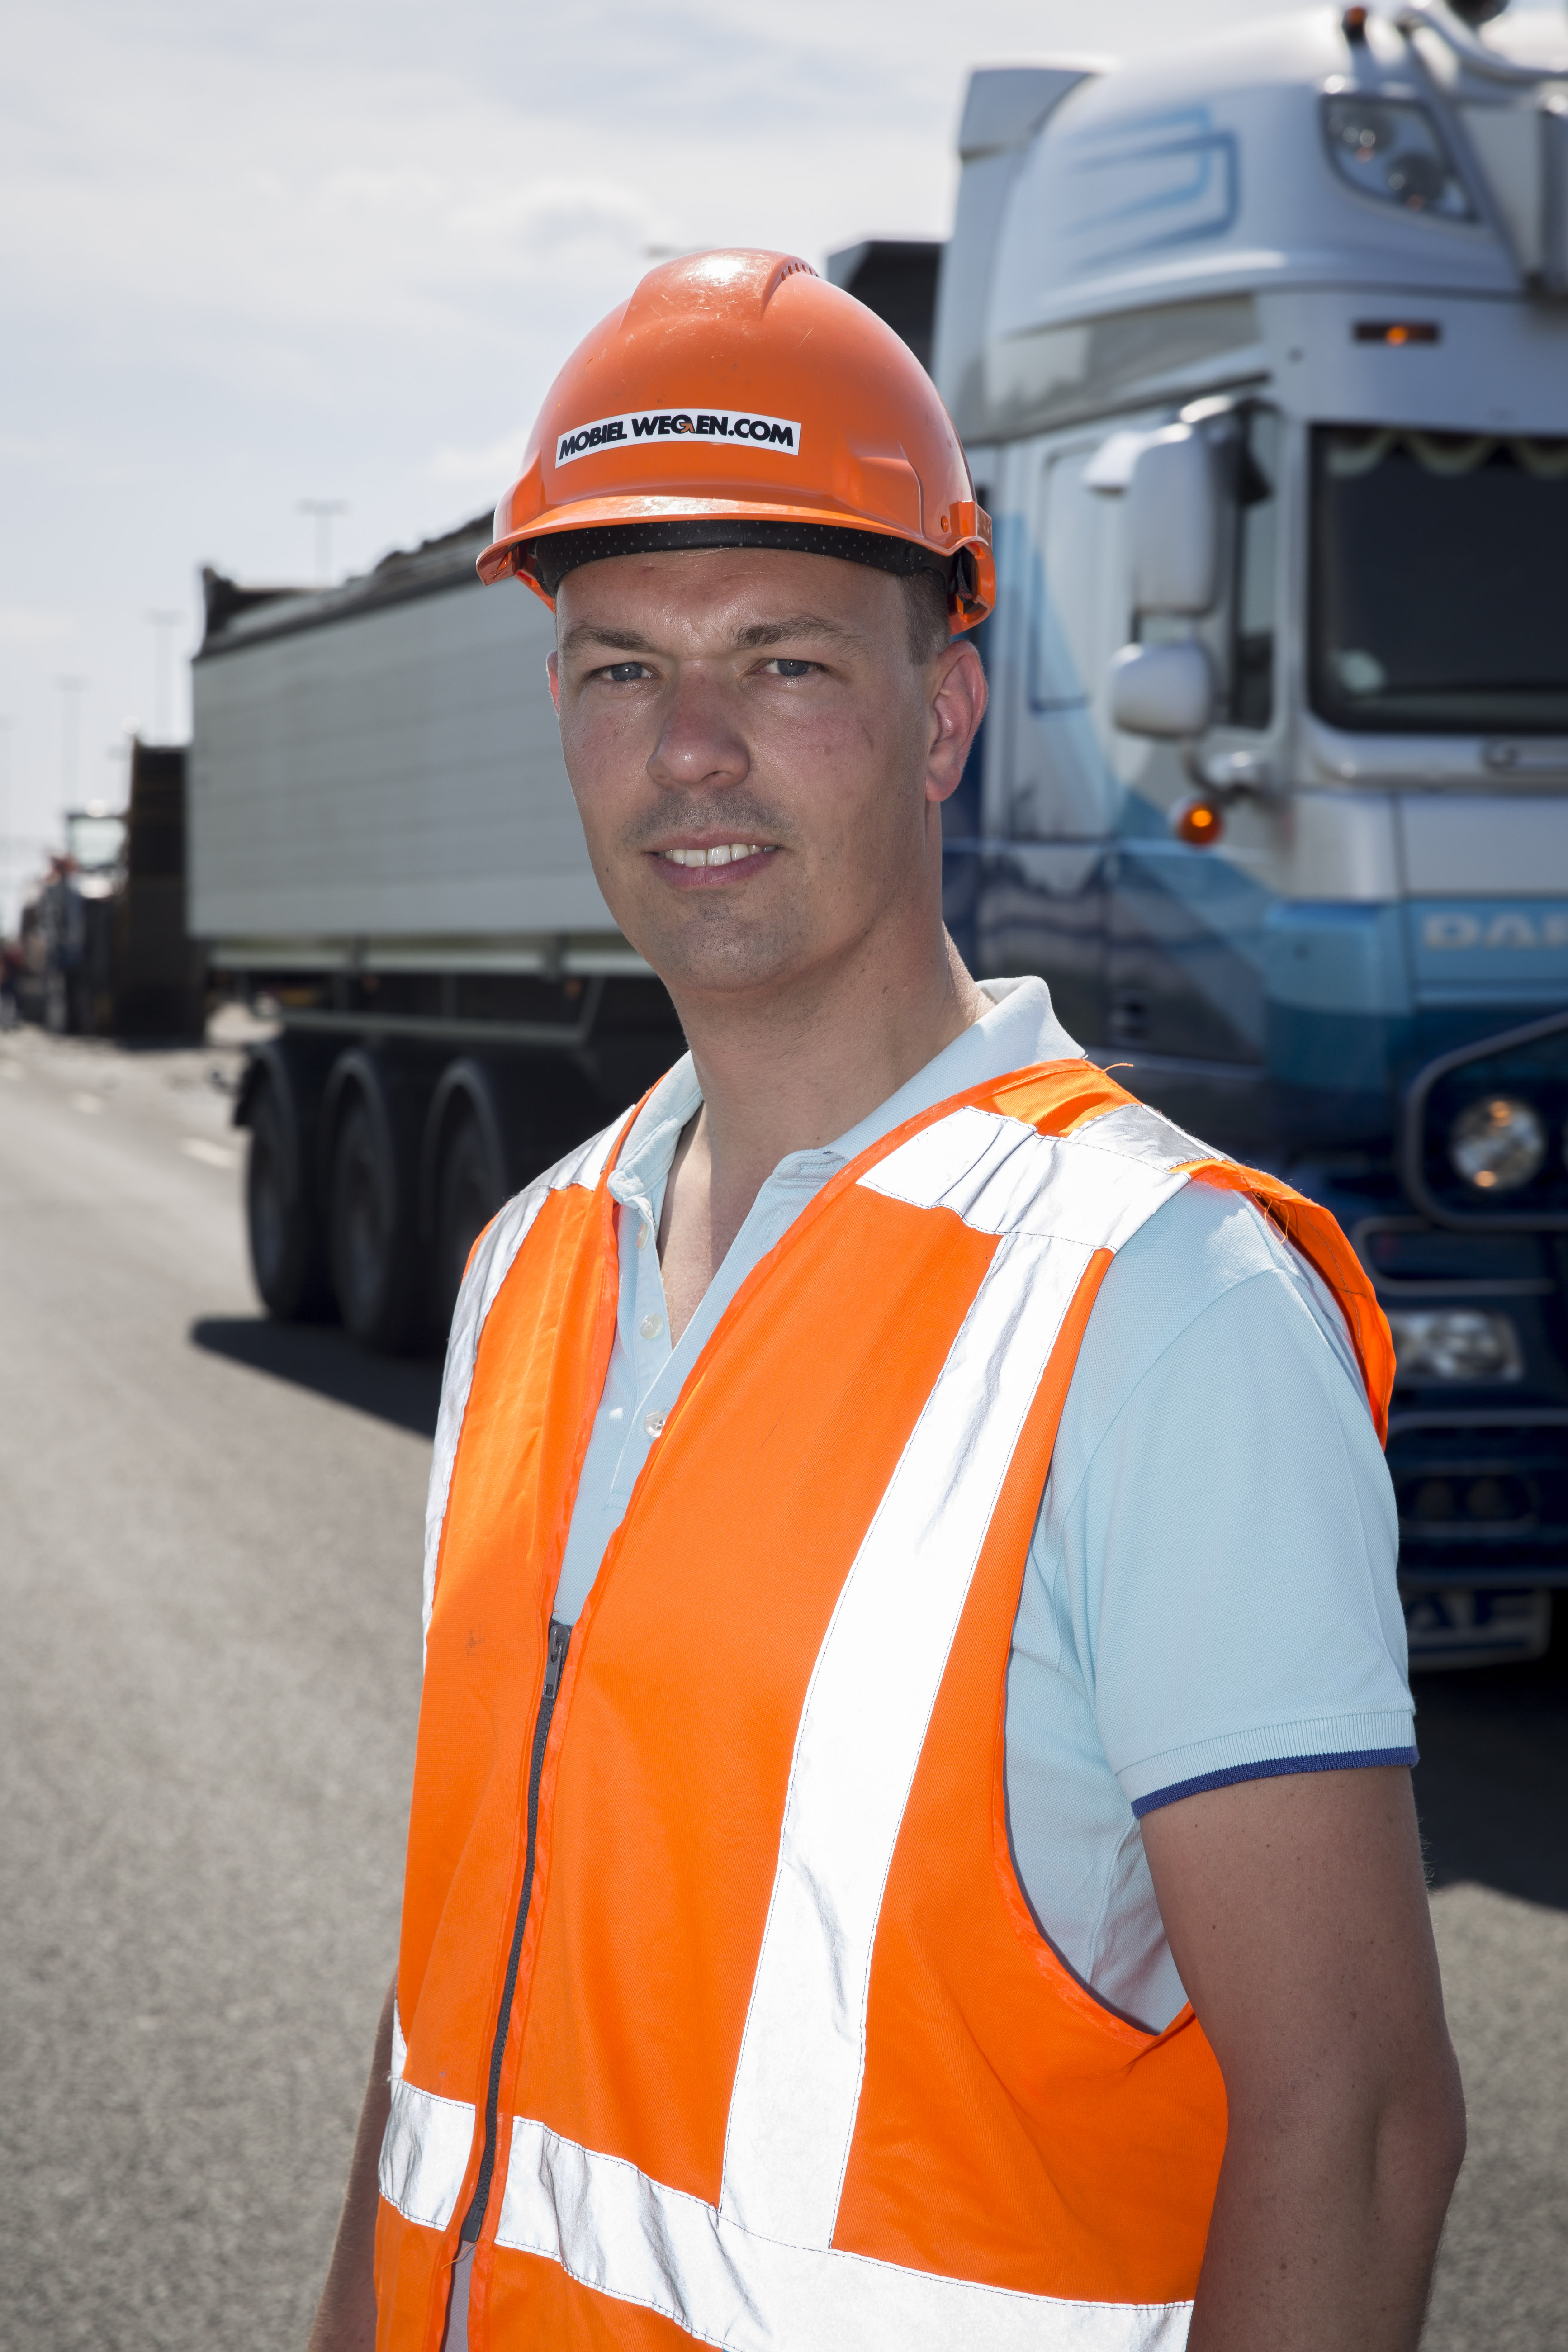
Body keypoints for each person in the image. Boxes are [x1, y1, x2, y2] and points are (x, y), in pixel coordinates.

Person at [308, 250, 1464, 2352]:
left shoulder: (1159, 1301)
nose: (692, 755)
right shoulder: (530, 1262)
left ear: (941, 711)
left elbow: (1363, 2124)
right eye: (619, 670)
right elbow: (463, 1954)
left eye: (783, 664)